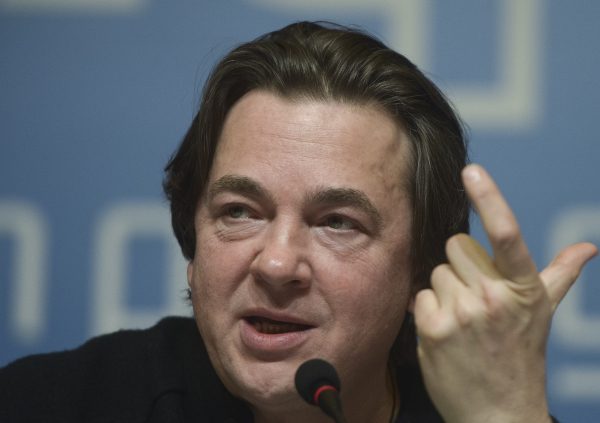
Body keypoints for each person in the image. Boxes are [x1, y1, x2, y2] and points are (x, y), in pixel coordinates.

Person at [0, 21, 596, 423]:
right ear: (192, 240)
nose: (277, 262)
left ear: (422, 271)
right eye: (239, 212)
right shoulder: (48, 403)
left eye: (337, 222)